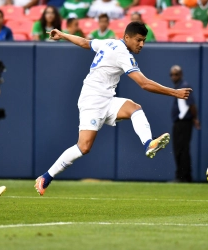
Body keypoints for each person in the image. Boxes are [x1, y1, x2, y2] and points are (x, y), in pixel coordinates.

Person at [34, 22, 192, 196]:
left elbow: (85, 43)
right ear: (127, 37)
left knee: (134, 108)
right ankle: (46, 177)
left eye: (144, 41)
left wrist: (63, 35)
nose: (141, 44)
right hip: (92, 101)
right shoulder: (122, 53)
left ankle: (149, 143)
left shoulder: (109, 42)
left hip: (106, 99)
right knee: (84, 147)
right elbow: (144, 84)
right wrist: (174, 92)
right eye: (139, 40)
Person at [170, 65, 200, 183]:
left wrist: (194, 118)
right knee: (179, 149)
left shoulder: (184, 86)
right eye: (172, 74)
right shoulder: (178, 86)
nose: (173, 77)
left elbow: (191, 105)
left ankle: (183, 177)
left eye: (176, 74)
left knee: (182, 149)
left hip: (183, 123)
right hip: (179, 123)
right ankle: (183, 175)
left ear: (181, 74)